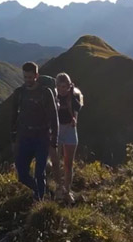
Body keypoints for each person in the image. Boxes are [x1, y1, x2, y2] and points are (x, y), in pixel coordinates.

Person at [11, 61, 58, 201]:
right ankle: (42, 192)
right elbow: (13, 117)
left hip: (42, 137)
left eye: (30, 77)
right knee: (22, 174)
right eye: (25, 77)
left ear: (36, 75)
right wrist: (13, 139)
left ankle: (40, 200)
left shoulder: (46, 93)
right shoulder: (19, 93)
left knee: (39, 173)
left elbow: (54, 117)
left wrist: (54, 142)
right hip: (24, 137)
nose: (27, 80)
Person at [54, 72, 83, 203]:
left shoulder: (73, 97)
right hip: (57, 130)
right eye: (59, 87)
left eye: (64, 86)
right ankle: (59, 189)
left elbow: (77, 110)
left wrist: (74, 119)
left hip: (70, 130)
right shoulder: (53, 97)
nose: (62, 90)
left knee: (68, 163)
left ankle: (67, 190)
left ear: (69, 86)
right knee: (56, 162)